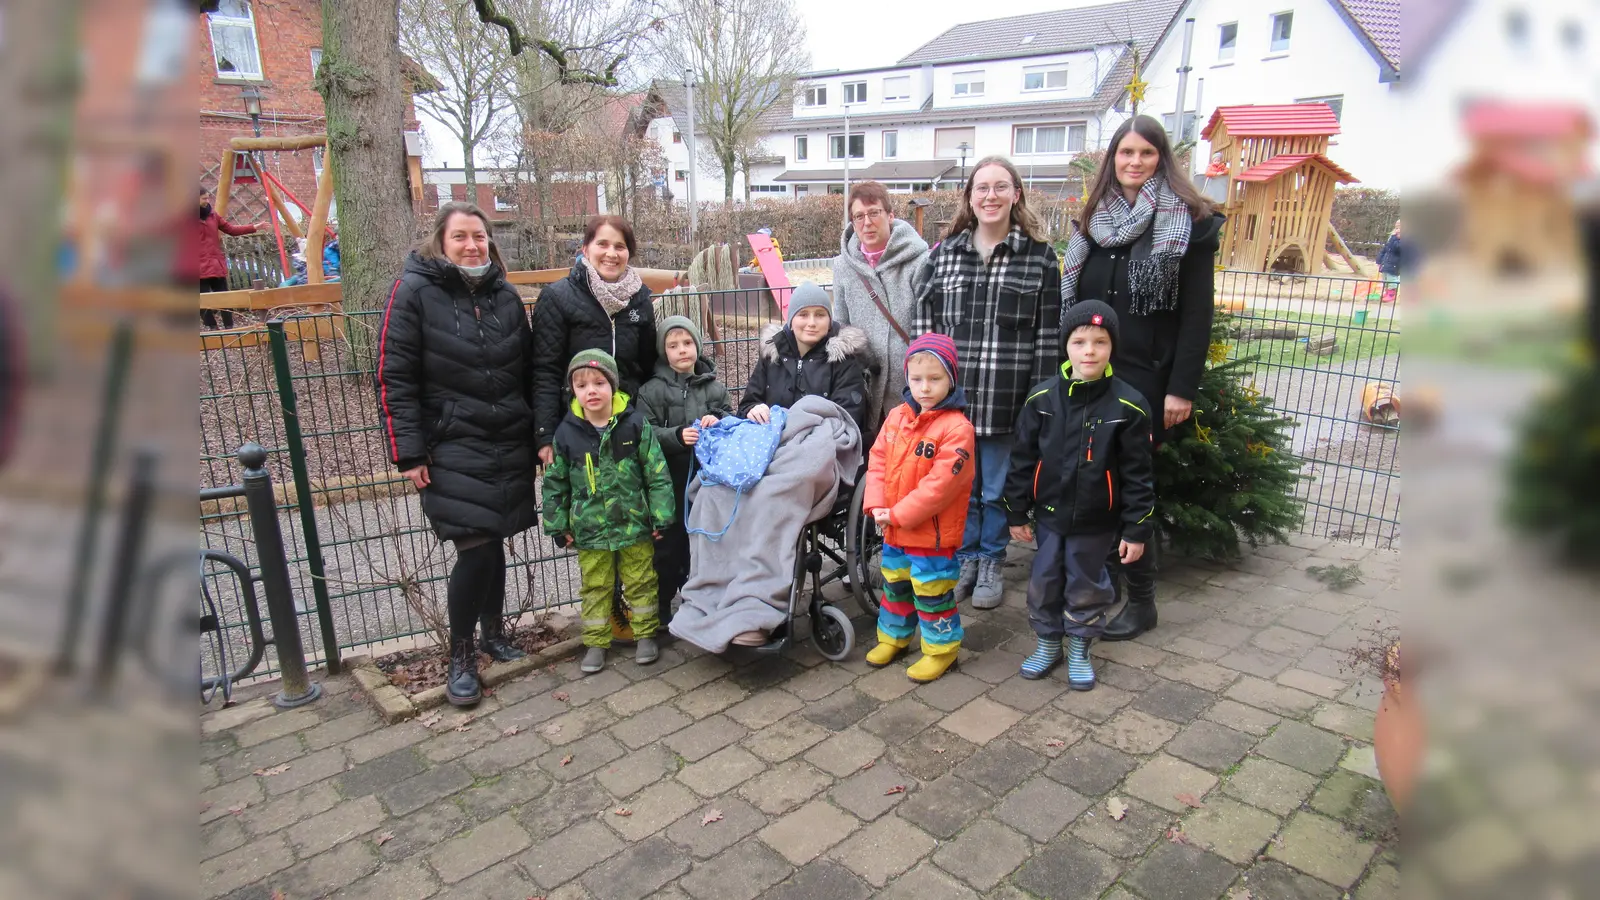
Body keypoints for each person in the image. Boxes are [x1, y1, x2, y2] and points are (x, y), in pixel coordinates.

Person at [1059, 114, 1222, 642]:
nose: (1134, 162)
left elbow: (1197, 316)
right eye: (1125, 153)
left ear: (1161, 159)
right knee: (1090, 478)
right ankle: (1096, 583)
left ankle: (1143, 600)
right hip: (1092, 372)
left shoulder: (1189, 223)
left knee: (1131, 483)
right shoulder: (1093, 221)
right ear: (1112, 159)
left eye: (1146, 153)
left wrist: (1182, 388)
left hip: (1147, 377)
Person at [375, 201, 537, 707]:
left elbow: (528, 370)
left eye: (480, 237)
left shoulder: (505, 296)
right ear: (441, 242)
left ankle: (493, 633)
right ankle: (461, 654)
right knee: (477, 544)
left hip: (507, 437)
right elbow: (394, 377)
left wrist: (537, 436)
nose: (472, 245)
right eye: (461, 237)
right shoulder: (414, 292)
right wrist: (409, 452)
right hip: (449, 443)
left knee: (494, 537)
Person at [913, 156, 1062, 610]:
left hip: (1006, 402)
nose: (991, 196)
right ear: (970, 198)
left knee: (995, 490)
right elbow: (925, 330)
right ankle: (966, 557)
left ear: (1016, 194)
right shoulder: (944, 255)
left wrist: (1039, 403)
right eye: (982, 188)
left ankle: (992, 559)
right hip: (952, 404)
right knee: (959, 487)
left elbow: (1049, 338)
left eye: (1001, 186)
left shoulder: (1039, 258)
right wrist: (926, 391)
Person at [1004, 301, 1155, 689]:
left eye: (1100, 342)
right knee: (1045, 580)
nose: (1089, 350)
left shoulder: (1129, 406)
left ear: (1111, 348)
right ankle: (1048, 643)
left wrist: (1136, 530)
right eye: (1080, 341)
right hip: (1050, 518)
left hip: (1096, 521)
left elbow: (1139, 474)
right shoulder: (1041, 400)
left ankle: (1080, 649)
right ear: (1066, 346)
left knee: (1087, 585)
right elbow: (1022, 459)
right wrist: (1016, 513)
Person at [542, 350, 676, 674]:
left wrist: (661, 515)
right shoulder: (566, 434)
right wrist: (558, 524)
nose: (591, 390)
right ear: (573, 390)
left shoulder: (634, 425)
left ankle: (645, 635)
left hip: (634, 526)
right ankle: (596, 642)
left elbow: (656, 473)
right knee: (596, 586)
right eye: (582, 384)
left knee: (642, 581)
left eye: (599, 382)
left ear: (612, 386)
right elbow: (555, 483)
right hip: (590, 531)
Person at [861, 333, 976, 683]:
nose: (924, 388)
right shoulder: (897, 416)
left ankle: (941, 649)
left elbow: (939, 488)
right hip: (894, 528)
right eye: (916, 379)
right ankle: (894, 637)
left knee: (932, 592)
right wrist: (878, 505)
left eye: (935, 379)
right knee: (895, 586)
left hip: (931, 536)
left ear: (951, 379)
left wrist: (897, 514)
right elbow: (878, 460)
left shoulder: (957, 429)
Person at [532, 215, 657, 465]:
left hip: (626, 422)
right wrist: (545, 434)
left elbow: (646, 366)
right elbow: (545, 370)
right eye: (603, 244)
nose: (611, 253)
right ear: (586, 249)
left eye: (619, 247)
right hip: (574, 424)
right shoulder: (557, 298)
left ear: (628, 254)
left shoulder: (640, 299)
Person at [636, 315, 734, 626]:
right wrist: (677, 436)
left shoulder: (714, 388)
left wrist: (716, 420)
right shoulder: (650, 391)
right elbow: (644, 432)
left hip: (706, 481)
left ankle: (700, 602)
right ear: (663, 351)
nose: (682, 350)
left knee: (703, 542)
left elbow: (730, 419)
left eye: (688, 343)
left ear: (698, 345)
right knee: (667, 544)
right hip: (667, 481)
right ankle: (662, 606)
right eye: (673, 345)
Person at [832, 181, 932, 427]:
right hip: (865, 391)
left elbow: (929, 328)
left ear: (890, 215)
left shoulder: (919, 262)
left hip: (911, 389)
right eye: (859, 216)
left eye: (874, 212)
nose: (867, 222)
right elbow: (842, 326)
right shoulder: (843, 266)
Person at [740, 281, 869, 435]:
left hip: (823, 448)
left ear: (829, 322)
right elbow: (746, 406)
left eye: (820, 315)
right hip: (772, 444)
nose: (812, 323)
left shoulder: (844, 359)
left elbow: (848, 419)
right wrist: (753, 409)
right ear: (791, 322)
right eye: (803, 314)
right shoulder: (772, 355)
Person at [193, 187, 266, 329]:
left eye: (208, 198)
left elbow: (231, 229)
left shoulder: (213, 216)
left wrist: (254, 227)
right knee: (201, 300)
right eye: (204, 198)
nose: (208, 201)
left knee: (224, 298)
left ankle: (229, 326)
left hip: (215, 263)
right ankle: (212, 327)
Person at [1376, 219, 1405, 303]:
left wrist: (1396, 238)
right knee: (1385, 277)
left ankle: (1392, 294)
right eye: (1396, 228)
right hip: (1387, 261)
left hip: (1395, 263)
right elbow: (1385, 248)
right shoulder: (1392, 237)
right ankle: (1387, 292)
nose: (1397, 230)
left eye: (1400, 228)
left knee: (1392, 278)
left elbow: (1398, 248)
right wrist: (1379, 259)